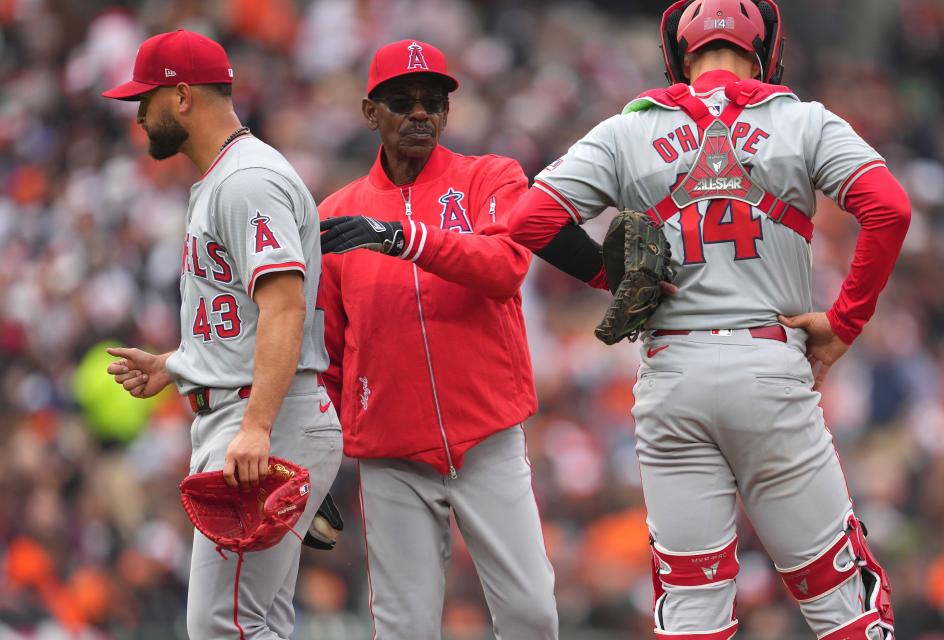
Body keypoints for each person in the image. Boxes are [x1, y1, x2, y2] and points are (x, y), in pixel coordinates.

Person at [507, 1, 910, 639]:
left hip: (671, 374)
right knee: (842, 601)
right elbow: (888, 209)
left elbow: (530, 219)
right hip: (768, 366)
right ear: (764, 51)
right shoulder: (801, 119)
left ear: (680, 53)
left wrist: (609, 277)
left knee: (693, 606)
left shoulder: (627, 129)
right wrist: (845, 321)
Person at [101, 30, 343, 640]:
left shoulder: (246, 180)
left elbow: (285, 309)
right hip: (252, 411)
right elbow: (249, 318)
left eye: (146, 98)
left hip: (263, 418)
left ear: (182, 96)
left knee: (221, 625)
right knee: (257, 621)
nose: (139, 113)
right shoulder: (227, 177)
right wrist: (176, 365)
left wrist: (259, 426)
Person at [317, 39, 559, 639]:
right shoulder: (337, 212)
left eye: (433, 101)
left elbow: (506, 266)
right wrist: (314, 465)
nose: (420, 112)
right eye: (402, 101)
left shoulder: (491, 176)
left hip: (488, 439)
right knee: (404, 631)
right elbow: (323, 355)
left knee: (532, 614)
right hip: (391, 454)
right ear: (371, 112)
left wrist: (404, 237)